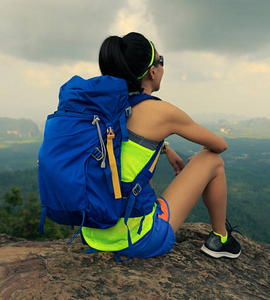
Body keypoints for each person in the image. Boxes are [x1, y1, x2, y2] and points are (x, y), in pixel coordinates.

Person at [81, 32, 241, 259]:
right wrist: (193, 160)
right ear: (152, 71)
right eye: (161, 60)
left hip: (93, 232)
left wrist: (164, 147)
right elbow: (219, 144)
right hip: (136, 239)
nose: (162, 67)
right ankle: (220, 239)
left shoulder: (100, 107)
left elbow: (120, 140)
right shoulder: (160, 111)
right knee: (210, 159)